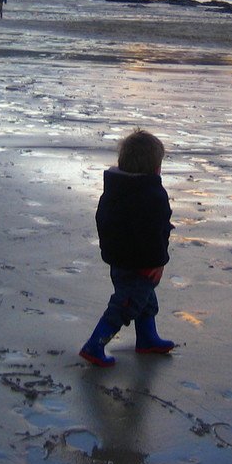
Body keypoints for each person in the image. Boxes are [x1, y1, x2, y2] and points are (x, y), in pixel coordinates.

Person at [80, 129, 175, 367]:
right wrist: (158, 262)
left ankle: (147, 338)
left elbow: (103, 221)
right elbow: (156, 232)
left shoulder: (114, 191)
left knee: (145, 302)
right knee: (125, 305)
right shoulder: (153, 195)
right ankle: (95, 344)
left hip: (119, 260)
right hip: (141, 264)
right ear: (155, 168)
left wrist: (111, 252)